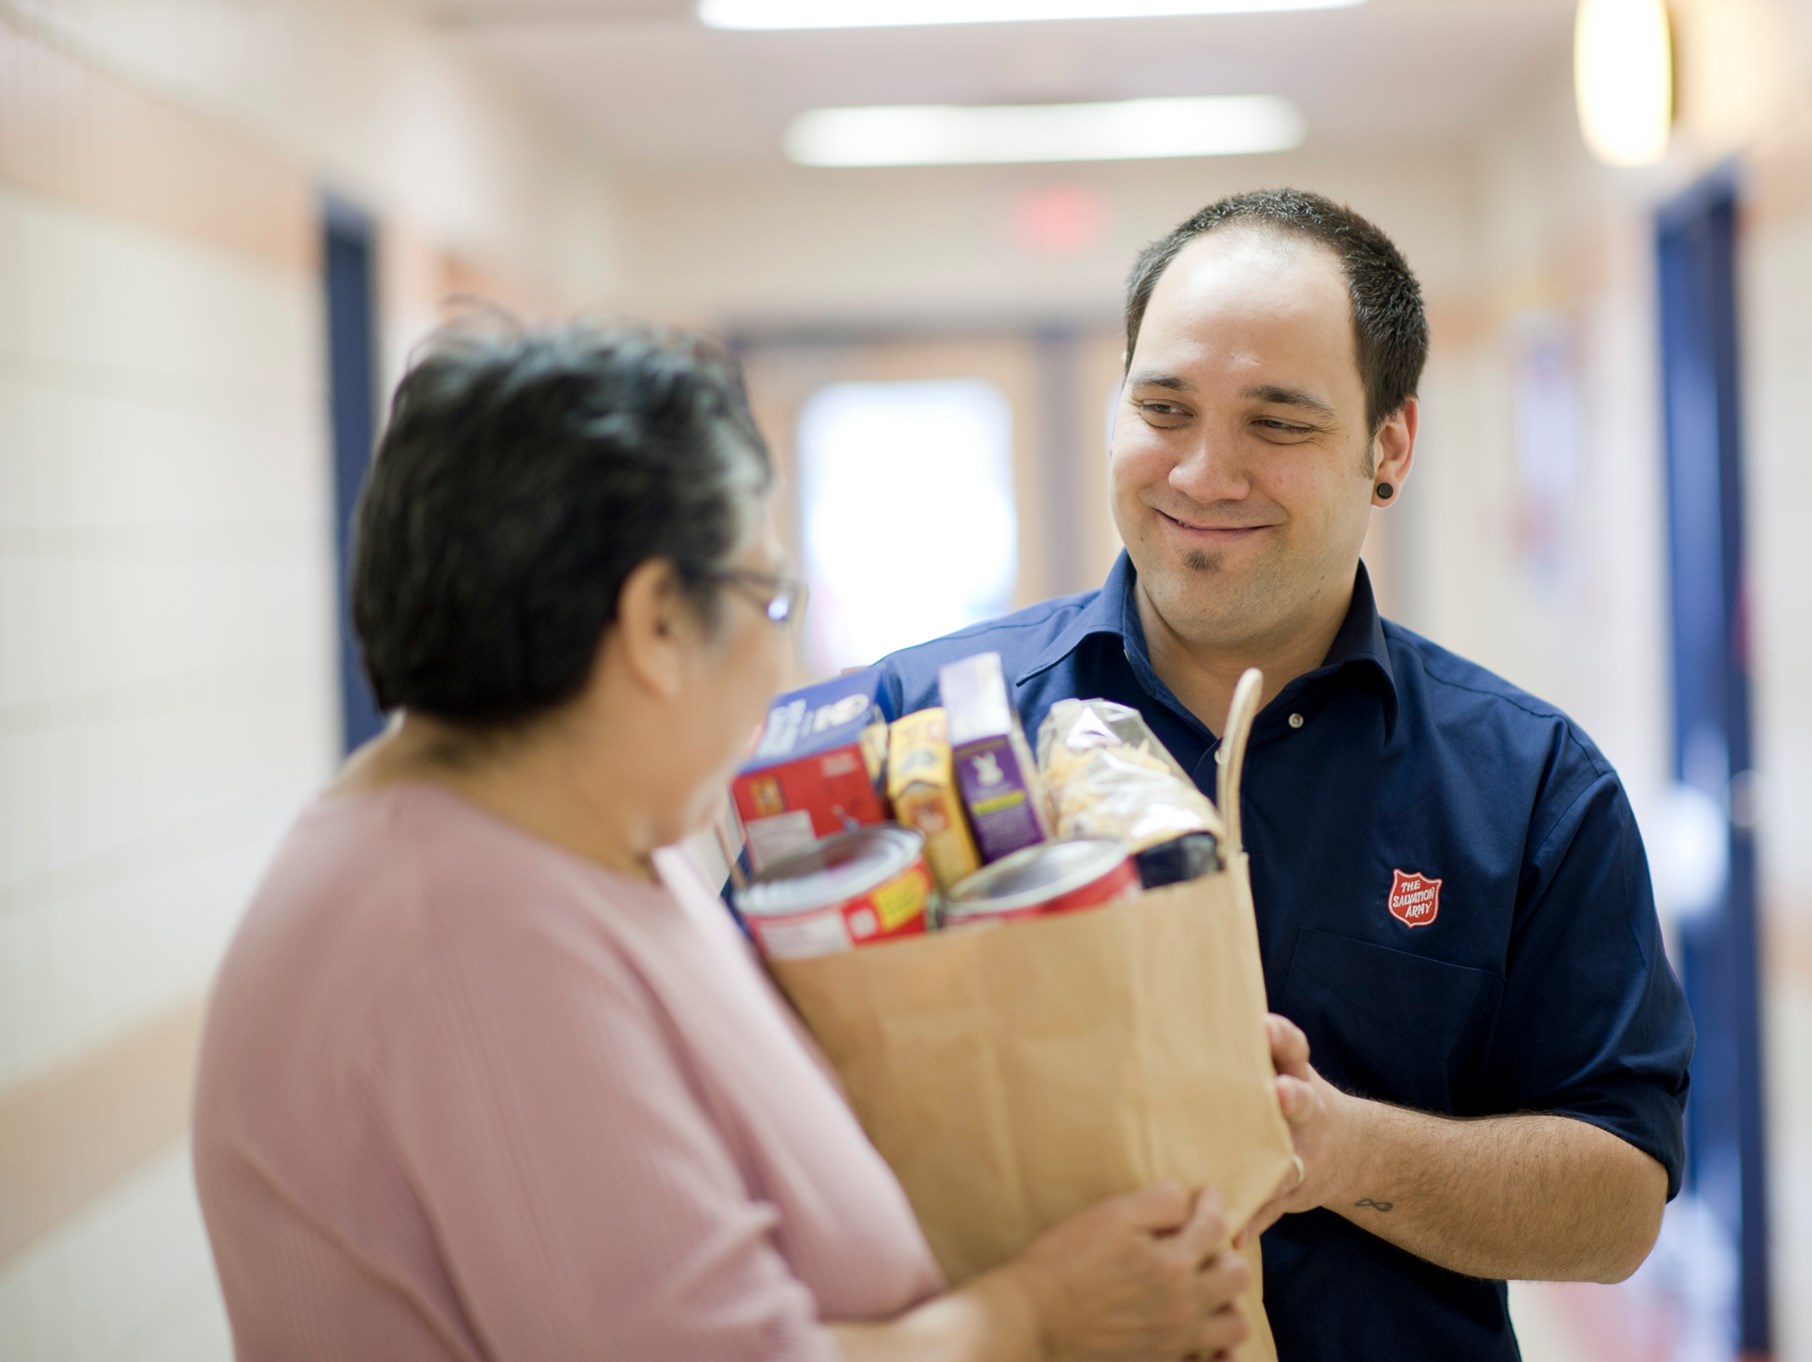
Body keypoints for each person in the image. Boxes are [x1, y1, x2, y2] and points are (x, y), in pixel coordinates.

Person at [191, 320, 1254, 1362]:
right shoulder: (462, 935)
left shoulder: (588, 838)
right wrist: (1037, 1320)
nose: (776, 663)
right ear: (656, 623)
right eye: (770, 597)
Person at [873, 188, 1696, 1361]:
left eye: (1278, 423)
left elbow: (1617, 1204)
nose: (1205, 474)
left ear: (1388, 445)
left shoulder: (1527, 787)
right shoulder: (925, 732)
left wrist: (1343, 1150)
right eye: (1162, 408)